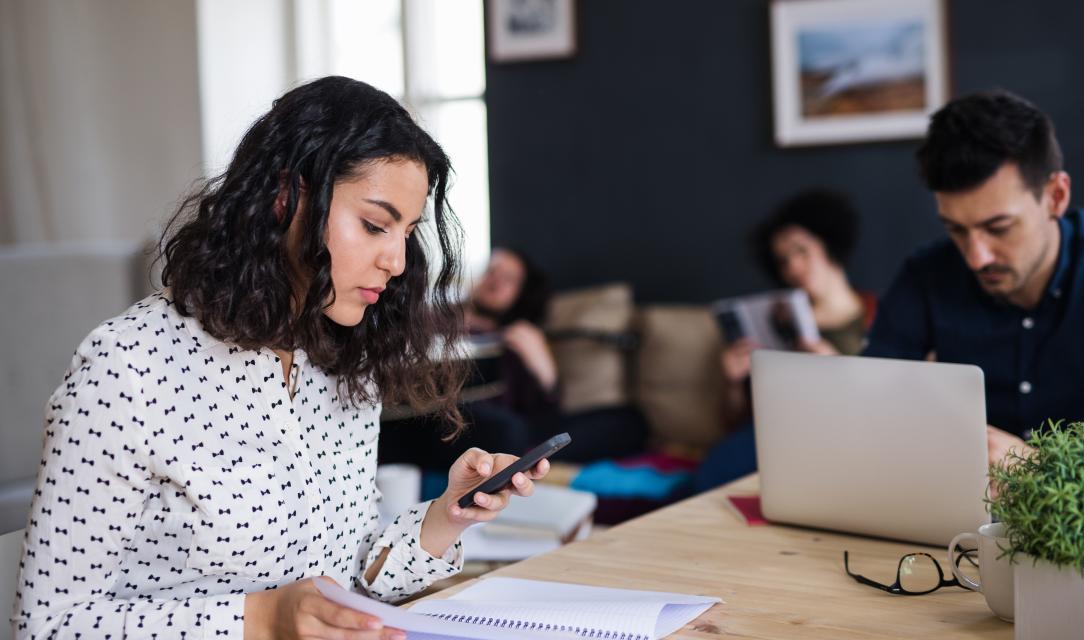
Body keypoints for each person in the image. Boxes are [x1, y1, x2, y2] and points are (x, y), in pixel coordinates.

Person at [12, 76, 549, 640]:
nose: (396, 261)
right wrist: (264, 618)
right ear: (287, 197)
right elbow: (46, 625)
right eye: (374, 225)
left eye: (406, 233)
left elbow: (347, 581)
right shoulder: (128, 368)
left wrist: (447, 514)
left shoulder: (342, 359)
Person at [864, 89, 1084, 467]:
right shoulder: (927, 275)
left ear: (1056, 196)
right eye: (956, 229)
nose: (976, 258)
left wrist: (1035, 468)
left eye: (999, 228)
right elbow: (869, 401)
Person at [381, 248, 648, 470]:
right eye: (491, 271)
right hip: (448, 419)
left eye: (508, 278)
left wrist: (542, 364)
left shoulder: (521, 337)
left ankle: (525, 458)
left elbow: (547, 412)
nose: (495, 280)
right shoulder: (436, 318)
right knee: (508, 430)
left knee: (627, 420)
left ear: (522, 293)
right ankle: (525, 459)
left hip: (517, 425)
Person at [695, 189, 872, 492]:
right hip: (780, 432)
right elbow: (737, 421)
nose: (793, 267)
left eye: (802, 251)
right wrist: (733, 382)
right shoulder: (780, 322)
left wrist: (837, 368)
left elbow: (888, 404)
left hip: (845, 435)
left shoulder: (879, 315)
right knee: (711, 477)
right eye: (783, 260)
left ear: (829, 245)